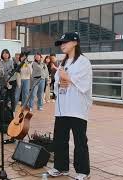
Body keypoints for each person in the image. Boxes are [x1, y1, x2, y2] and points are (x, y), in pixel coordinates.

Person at [47, 32, 92, 180]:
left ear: (75, 43)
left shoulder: (83, 62)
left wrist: (68, 78)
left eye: (65, 42)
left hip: (77, 108)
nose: (62, 45)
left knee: (80, 140)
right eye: (61, 43)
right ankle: (61, 167)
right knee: (60, 139)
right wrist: (64, 80)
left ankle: (83, 171)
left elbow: (83, 84)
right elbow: (58, 79)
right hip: (62, 108)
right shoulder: (63, 62)